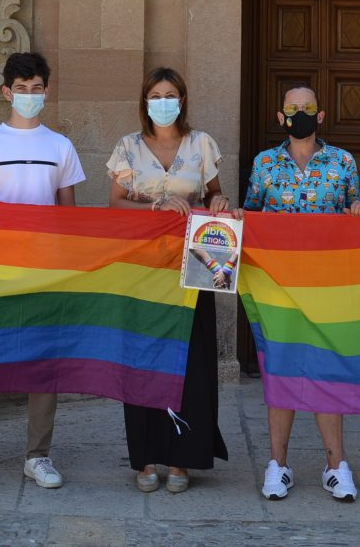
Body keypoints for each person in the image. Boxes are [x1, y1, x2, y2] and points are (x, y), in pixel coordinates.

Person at [0, 52, 86, 490]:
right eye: (21, 89)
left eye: (37, 87)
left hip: (43, 272)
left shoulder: (60, 146)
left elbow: (69, 216)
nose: (29, 95)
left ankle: (38, 455)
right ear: (7, 91)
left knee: (44, 364)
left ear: (47, 90)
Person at [243, 85, 360, 503]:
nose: (300, 113)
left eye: (308, 108)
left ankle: (337, 467)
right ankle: (278, 466)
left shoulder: (343, 162)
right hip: (276, 286)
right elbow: (251, 217)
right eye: (292, 108)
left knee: (325, 369)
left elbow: (357, 211)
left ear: (321, 116)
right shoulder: (264, 164)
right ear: (281, 117)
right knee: (281, 369)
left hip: (327, 284)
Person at [106, 67, 231, 494]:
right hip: (141, 268)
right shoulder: (126, 147)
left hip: (192, 266)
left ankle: (183, 458)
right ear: (145, 101)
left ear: (182, 100)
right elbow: (116, 206)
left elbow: (214, 192)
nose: (163, 101)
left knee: (191, 359)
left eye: (171, 94)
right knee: (142, 357)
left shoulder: (202, 144)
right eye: (156, 94)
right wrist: (154, 211)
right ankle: (145, 458)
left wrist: (218, 200)